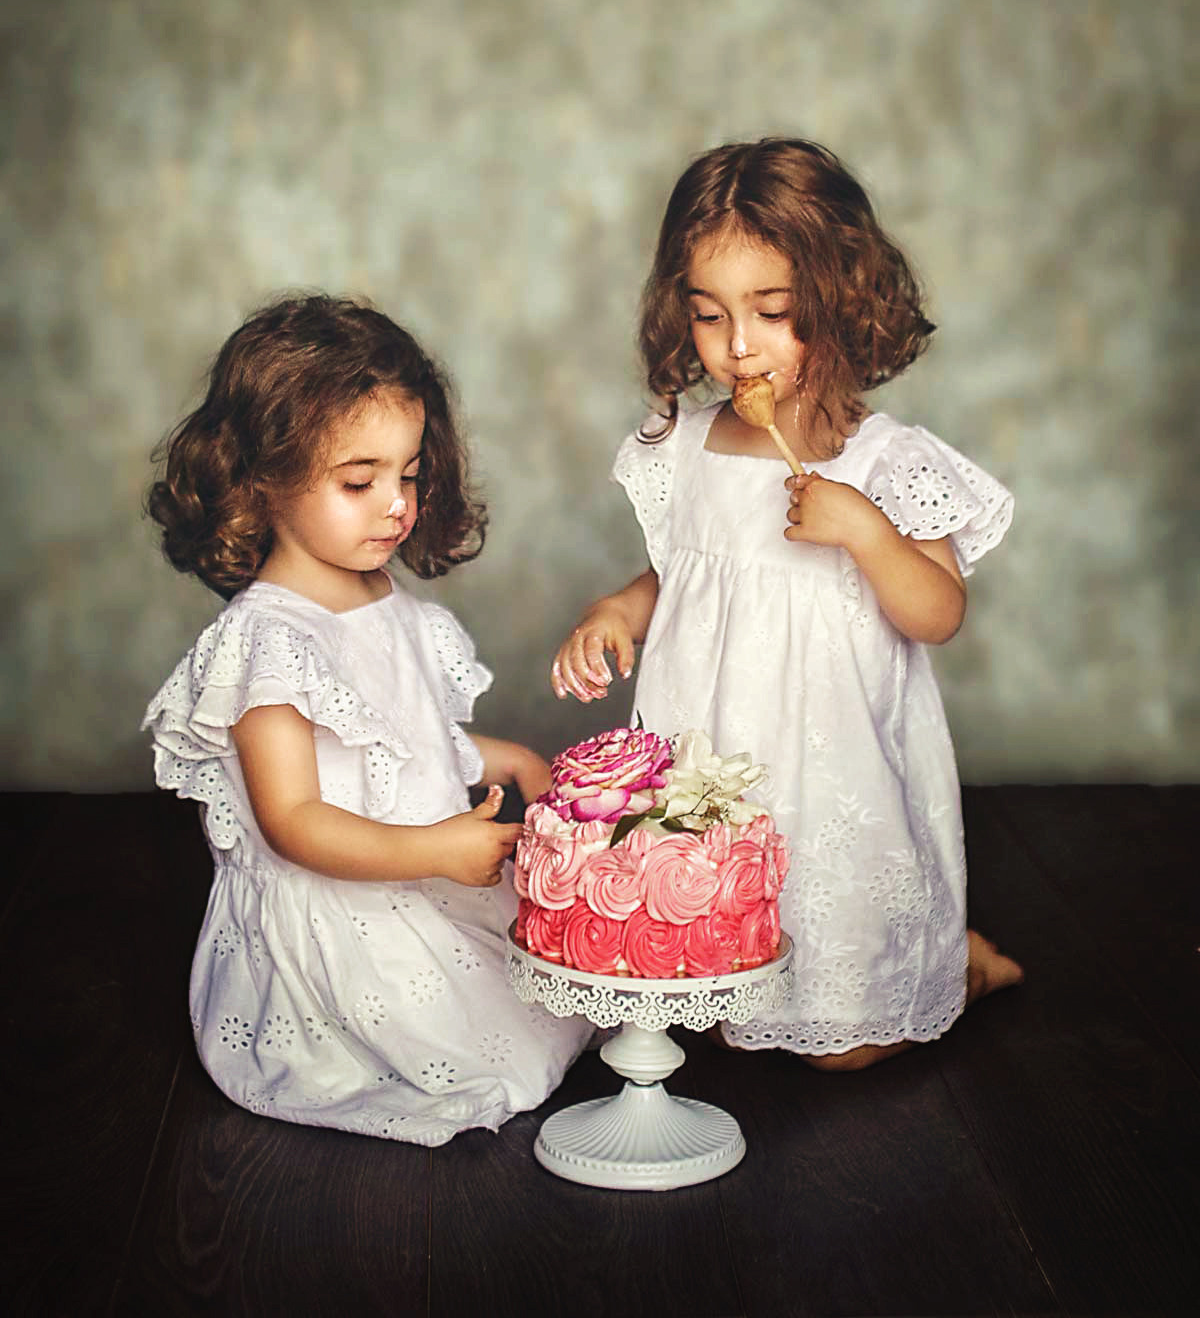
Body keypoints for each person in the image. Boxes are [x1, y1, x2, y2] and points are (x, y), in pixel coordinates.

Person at [551, 138, 1022, 1069]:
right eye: (709, 316)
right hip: (716, 747)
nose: (738, 346)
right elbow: (690, 569)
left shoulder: (883, 460)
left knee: (837, 1047)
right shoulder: (682, 445)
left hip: (827, 757)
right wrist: (620, 607)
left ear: (841, 298)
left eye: (773, 312)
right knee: (714, 996)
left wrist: (869, 533)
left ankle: (954, 966)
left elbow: (937, 613)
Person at [143, 293, 589, 1143]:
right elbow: (294, 820)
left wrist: (511, 760)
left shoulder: (385, 597)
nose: (396, 504)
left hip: (418, 870)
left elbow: (404, 736)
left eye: (409, 474)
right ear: (262, 479)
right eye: (360, 481)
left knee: (551, 1003)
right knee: (494, 1057)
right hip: (337, 918)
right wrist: (435, 849)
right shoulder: (267, 640)